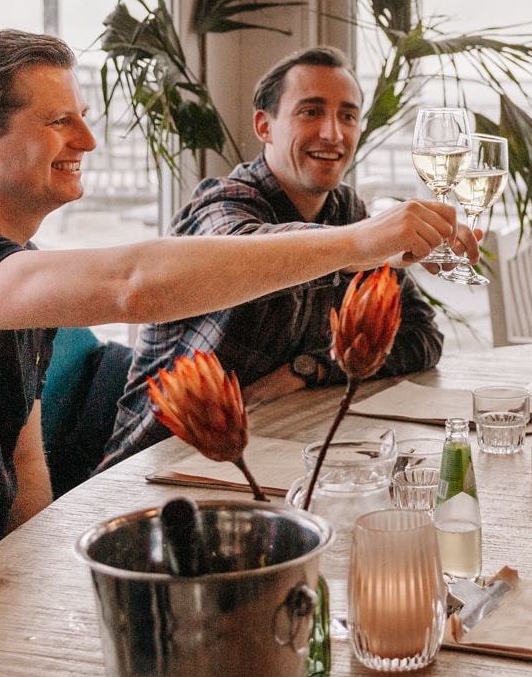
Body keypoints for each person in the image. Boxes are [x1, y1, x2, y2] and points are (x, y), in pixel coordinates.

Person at [0, 30, 471, 677]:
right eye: (59, 120)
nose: (88, 138)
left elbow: (24, 468)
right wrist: (360, 242)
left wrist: (44, 601)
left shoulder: (13, 274)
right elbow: (131, 285)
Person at [96, 46, 445, 468]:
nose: (333, 133)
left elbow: (421, 339)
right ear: (265, 125)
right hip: (155, 462)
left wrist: (307, 370)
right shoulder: (221, 203)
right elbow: (241, 252)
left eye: (348, 115)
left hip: (271, 451)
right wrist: (359, 241)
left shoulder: (347, 215)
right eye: (311, 112)